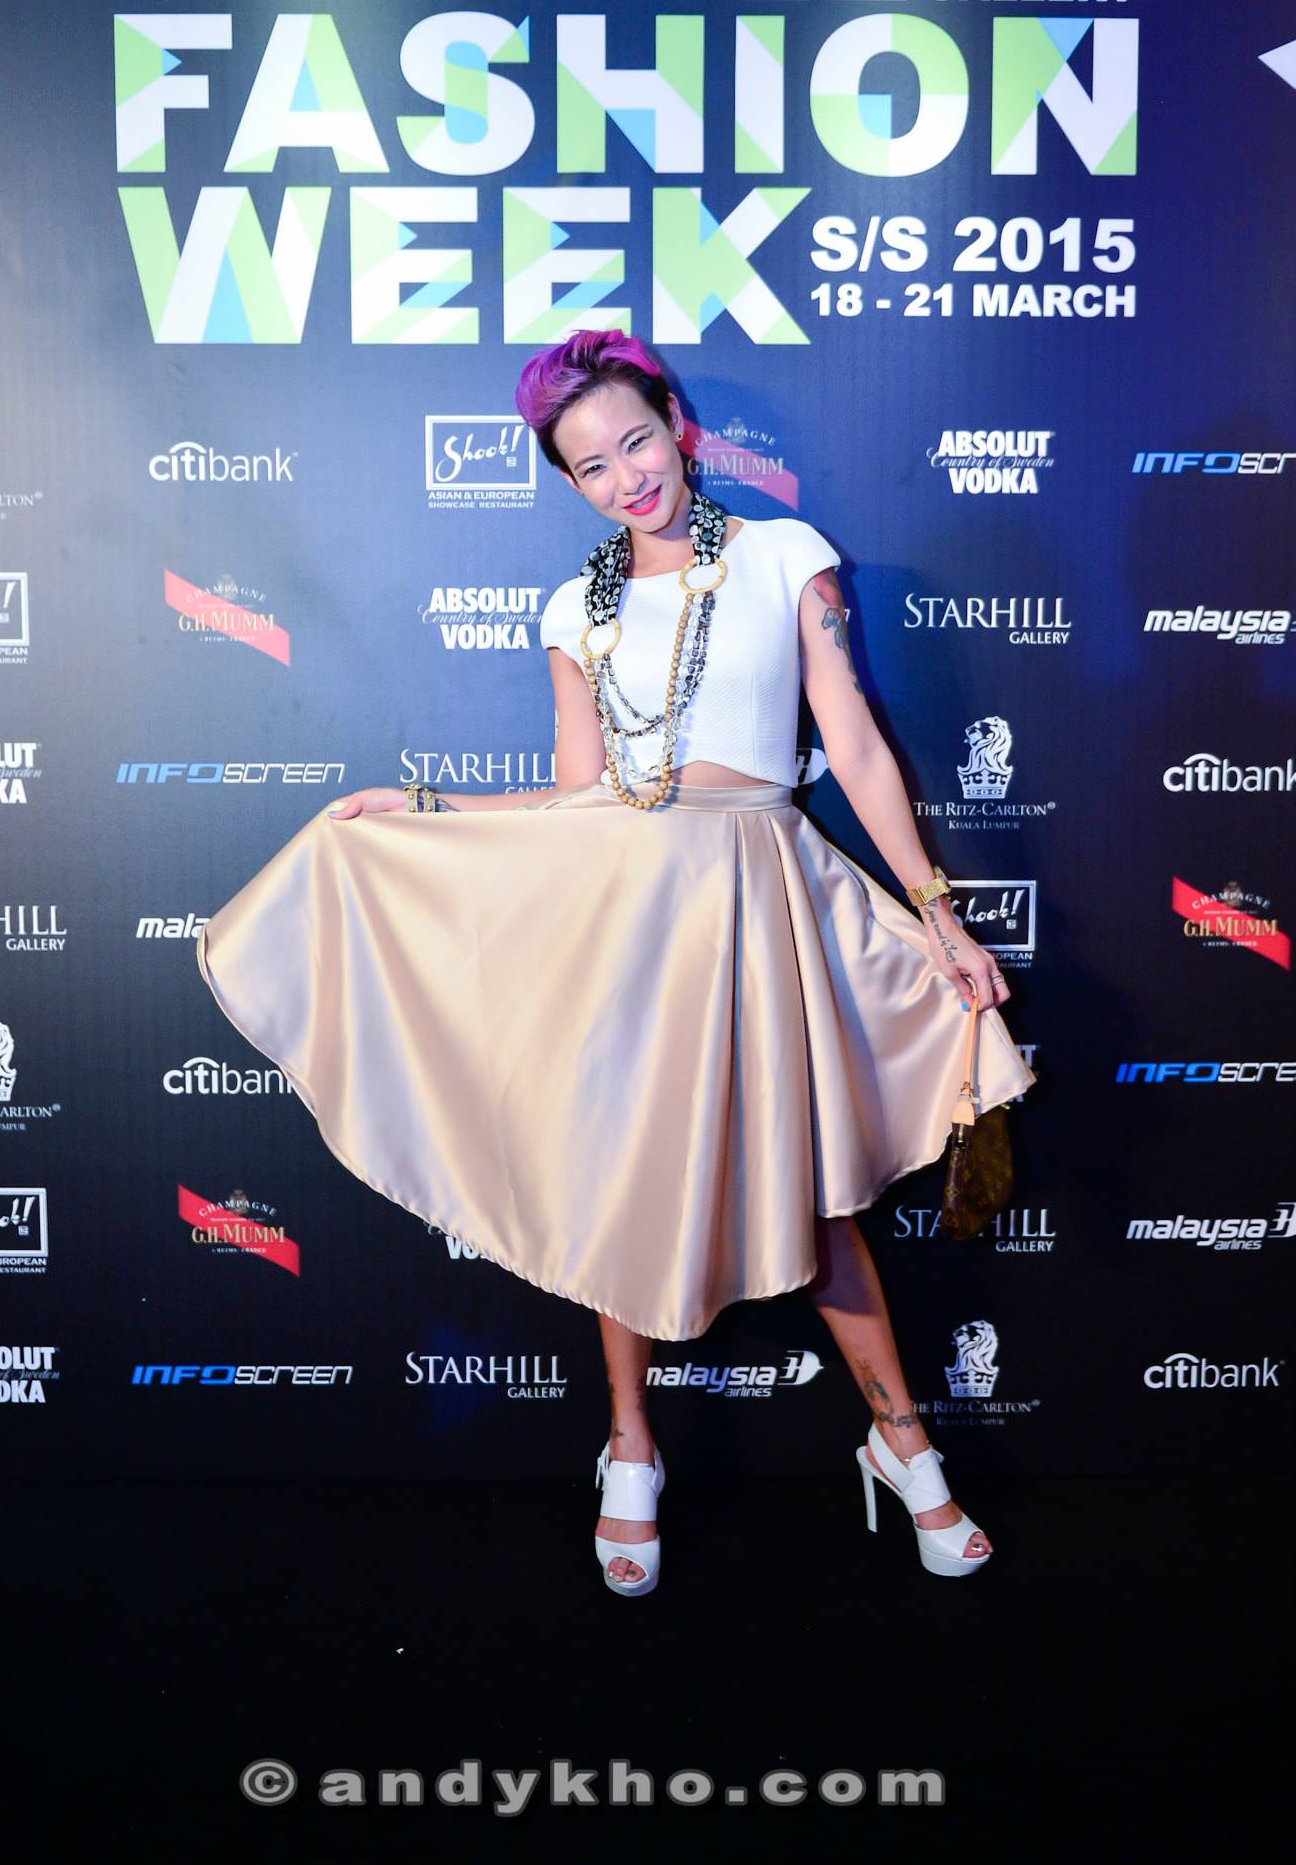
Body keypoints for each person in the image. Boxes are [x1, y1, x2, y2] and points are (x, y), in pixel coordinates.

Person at [196, 329, 1037, 1601]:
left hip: (759, 896)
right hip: (627, 913)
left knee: (816, 1195)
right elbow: (577, 793)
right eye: (590, 466)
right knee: (623, 1173)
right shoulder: (570, 609)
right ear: (568, 481)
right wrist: (424, 807)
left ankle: (901, 1440)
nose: (625, 477)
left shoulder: (783, 556)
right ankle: (629, 1444)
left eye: (636, 441)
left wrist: (936, 911)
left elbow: (856, 746)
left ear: (678, 426)